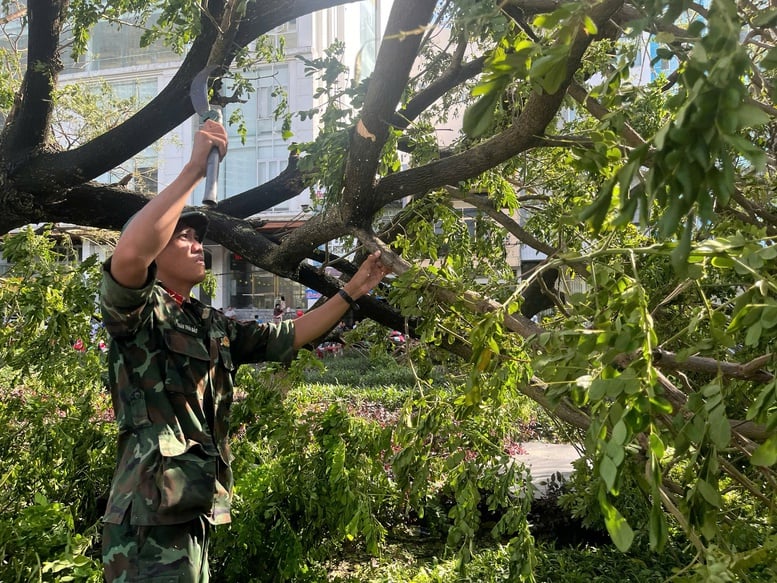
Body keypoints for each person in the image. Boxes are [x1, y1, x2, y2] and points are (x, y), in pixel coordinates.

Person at [99, 119, 389, 582]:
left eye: (198, 238)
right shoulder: (138, 312)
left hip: (190, 507)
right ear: (156, 251)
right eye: (184, 237)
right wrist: (195, 169)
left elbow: (292, 334)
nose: (198, 245)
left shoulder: (211, 324)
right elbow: (130, 256)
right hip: (147, 517)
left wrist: (353, 290)